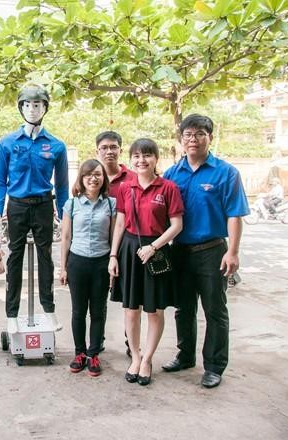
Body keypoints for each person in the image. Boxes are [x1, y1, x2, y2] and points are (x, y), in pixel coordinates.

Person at [162, 114, 249, 388]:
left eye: (200, 133)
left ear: (210, 137)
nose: (193, 139)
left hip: (213, 251)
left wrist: (232, 252)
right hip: (180, 251)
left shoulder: (226, 173)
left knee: (214, 310)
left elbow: (234, 215)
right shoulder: (172, 174)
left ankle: (214, 366)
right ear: (181, 139)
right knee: (183, 308)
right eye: (188, 134)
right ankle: (185, 355)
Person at [0, 82, 69, 333]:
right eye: (27, 104)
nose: (32, 109)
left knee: (46, 257)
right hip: (16, 206)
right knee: (15, 257)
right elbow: (0, 180)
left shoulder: (56, 145)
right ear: (20, 107)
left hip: (44, 205)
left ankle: (48, 310)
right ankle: (12, 314)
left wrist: (65, 213)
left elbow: (63, 184)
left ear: (45, 107)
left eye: (37, 105)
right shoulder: (7, 143)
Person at [108, 138, 184, 386]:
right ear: (131, 159)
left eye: (147, 155)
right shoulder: (125, 188)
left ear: (156, 159)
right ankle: (136, 356)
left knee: (154, 310)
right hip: (129, 250)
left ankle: (148, 359)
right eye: (137, 156)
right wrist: (113, 256)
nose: (142, 160)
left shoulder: (168, 188)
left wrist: (153, 247)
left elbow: (177, 225)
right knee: (131, 310)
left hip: (156, 250)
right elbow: (119, 223)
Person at [60, 159, 116, 377]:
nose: (93, 178)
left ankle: (93, 355)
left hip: (101, 262)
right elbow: (66, 237)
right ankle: (79, 353)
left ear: (104, 179)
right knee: (78, 311)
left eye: (98, 175)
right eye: (88, 175)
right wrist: (63, 267)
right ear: (81, 179)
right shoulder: (71, 204)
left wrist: (113, 261)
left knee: (98, 311)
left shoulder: (111, 204)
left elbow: (113, 236)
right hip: (77, 261)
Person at [95, 130, 135, 356]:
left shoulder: (132, 178)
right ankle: (97, 341)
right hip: (100, 247)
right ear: (97, 151)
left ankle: (132, 342)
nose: (109, 151)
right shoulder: (92, 175)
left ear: (120, 150)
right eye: (104, 148)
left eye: (113, 147)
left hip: (127, 245)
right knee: (99, 296)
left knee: (130, 298)